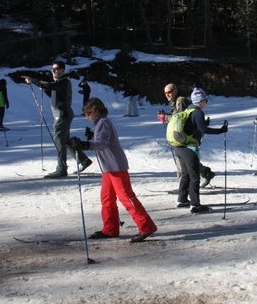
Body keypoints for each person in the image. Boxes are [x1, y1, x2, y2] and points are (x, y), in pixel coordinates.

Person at [69, 97, 157, 242]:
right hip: (108, 169)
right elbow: (101, 140)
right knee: (107, 198)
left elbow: (102, 143)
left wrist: (85, 144)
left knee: (126, 197)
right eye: (85, 114)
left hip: (116, 167)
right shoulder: (99, 124)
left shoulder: (103, 122)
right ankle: (110, 229)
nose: (87, 116)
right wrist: (91, 137)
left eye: (88, 113)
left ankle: (146, 226)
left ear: (96, 110)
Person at [22, 60, 92, 178]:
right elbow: (55, 94)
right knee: (64, 140)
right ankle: (83, 160)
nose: (53, 71)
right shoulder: (60, 82)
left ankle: (61, 169)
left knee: (59, 140)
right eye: (52, 69)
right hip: (62, 113)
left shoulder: (64, 81)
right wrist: (46, 90)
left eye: (55, 69)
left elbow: (51, 86)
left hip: (62, 114)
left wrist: (34, 81)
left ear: (62, 70)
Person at [172, 88, 227, 213]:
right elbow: (204, 130)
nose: (206, 102)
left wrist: (203, 124)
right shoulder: (198, 112)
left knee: (186, 174)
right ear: (201, 101)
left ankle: (182, 200)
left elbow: (193, 127)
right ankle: (195, 205)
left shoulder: (189, 110)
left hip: (179, 147)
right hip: (189, 148)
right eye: (205, 100)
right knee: (194, 176)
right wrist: (221, 130)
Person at [160, 83, 216, 187]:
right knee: (188, 161)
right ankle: (205, 173)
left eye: (169, 92)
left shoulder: (180, 101)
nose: (167, 95)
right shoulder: (176, 101)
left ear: (175, 90)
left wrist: (166, 117)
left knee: (183, 163)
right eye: (165, 93)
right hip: (185, 136)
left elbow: (178, 119)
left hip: (186, 136)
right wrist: (166, 116)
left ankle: (184, 191)